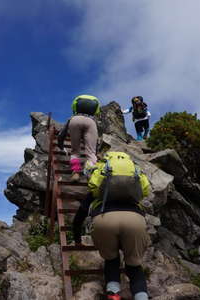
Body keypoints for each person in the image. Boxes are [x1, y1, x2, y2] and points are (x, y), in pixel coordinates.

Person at [72, 151, 151, 300]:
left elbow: (81, 212)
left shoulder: (101, 181)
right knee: (134, 266)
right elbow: (146, 190)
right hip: (135, 219)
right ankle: (141, 297)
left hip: (104, 219)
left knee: (112, 260)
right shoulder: (134, 175)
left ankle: (113, 294)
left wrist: (77, 237)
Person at [58, 94, 100, 182]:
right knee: (91, 153)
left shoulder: (72, 117)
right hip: (90, 122)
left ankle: (75, 173)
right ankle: (92, 174)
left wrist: (61, 144)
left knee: (75, 152)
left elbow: (62, 133)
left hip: (75, 121)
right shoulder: (92, 120)